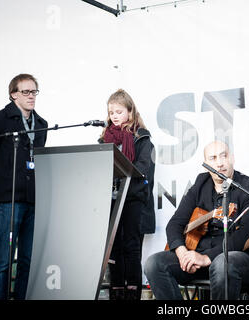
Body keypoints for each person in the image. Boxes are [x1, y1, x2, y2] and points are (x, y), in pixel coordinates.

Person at [144, 140, 249, 300]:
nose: (219, 163)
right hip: (198, 257)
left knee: (222, 264)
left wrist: (207, 258)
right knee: (154, 264)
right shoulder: (200, 184)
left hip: (239, 259)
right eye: (212, 158)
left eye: (223, 156)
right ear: (206, 164)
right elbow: (175, 224)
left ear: (232, 158)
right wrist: (182, 252)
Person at [0, 74, 48, 299]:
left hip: (32, 200)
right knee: (3, 259)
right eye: (26, 92)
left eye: (34, 92)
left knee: (27, 259)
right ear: (13, 94)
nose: (31, 97)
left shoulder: (41, 124)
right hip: (8, 199)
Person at [99, 89, 155, 300]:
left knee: (131, 246)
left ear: (130, 112)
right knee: (114, 249)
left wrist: (120, 170)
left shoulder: (142, 137)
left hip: (132, 200)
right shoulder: (104, 138)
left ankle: (132, 292)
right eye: (111, 111)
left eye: (119, 111)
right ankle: (116, 292)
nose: (114, 115)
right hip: (111, 201)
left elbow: (142, 167)